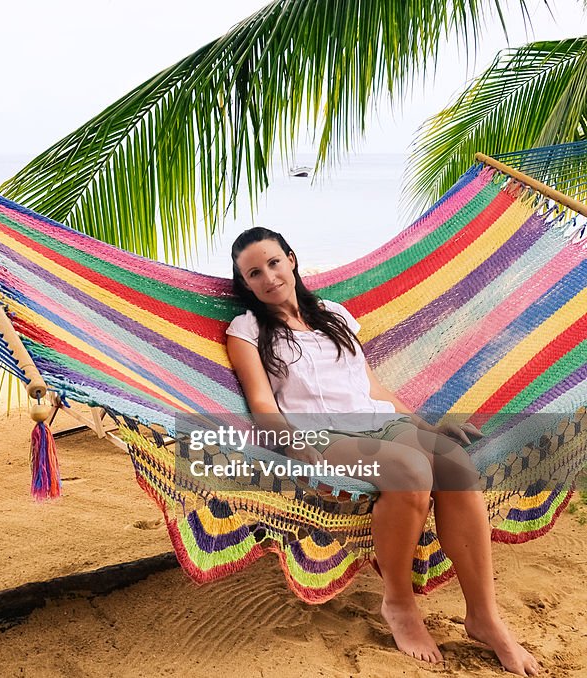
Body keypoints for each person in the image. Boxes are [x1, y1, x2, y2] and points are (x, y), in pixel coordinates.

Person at [224, 227, 539, 676]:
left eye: (273, 262)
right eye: (254, 273)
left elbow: (370, 386)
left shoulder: (334, 314)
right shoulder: (248, 329)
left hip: (380, 422)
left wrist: (427, 427)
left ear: (291, 259)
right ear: (246, 285)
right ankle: (399, 603)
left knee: (454, 463)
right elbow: (261, 402)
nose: (268, 276)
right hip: (321, 434)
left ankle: (484, 617)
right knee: (409, 472)